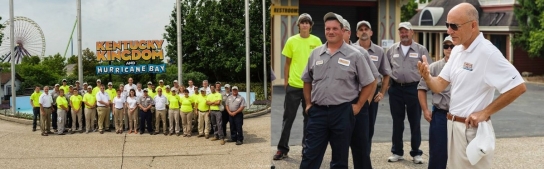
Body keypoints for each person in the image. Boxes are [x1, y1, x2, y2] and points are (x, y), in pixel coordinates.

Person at [418, 3, 526, 168]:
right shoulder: (456, 51)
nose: (449, 31)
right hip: (452, 127)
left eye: (454, 26)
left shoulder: (487, 53)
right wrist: (427, 76)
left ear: (473, 25)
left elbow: (518, 86)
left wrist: (485, 112)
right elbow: (439, 85)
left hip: (471, 131)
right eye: (448, 25)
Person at [300, 12, 375, 168]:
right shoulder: (315, 54)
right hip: (318, 112)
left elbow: (369, 82)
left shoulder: (355, 55)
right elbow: (307, 79)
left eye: (335, 28)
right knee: (309, 156)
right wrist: (308, 104)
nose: (330, 32)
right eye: (328, 29)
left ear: (343, 30)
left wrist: (359, 105)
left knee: (340, 159)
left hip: (342, 112)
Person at [273, 12, 323, 161]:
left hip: (311, 87)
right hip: (294, 85)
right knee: (288, 119)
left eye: (307, 22)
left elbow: (320, 63)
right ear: (298, 25)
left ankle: (306, 148)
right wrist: (286, 82)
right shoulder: (291, 41)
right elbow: (287, 63)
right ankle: (282, 149)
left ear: (311, 26)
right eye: (302, 22)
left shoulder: (317, 41)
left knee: (309, 119)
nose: (305, 25)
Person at [385, 21, 431, 164]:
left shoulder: (421, 50)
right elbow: (386, 69)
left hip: (414, 89)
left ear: (412, 32)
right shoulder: (392, 50)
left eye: (406, 31)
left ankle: (416, 153)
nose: (403, 34)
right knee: (397, 122)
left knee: (415, 121)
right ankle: (397, 152)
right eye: (401, 31)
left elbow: (428, 69)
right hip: (396, 89)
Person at [341, 18, 379, 169]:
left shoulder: (361, 53)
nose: (336, 33)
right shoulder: (325, 53)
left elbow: (373, 79)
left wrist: (365, 102)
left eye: (342, 30)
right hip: (337, 106)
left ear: (349, 33)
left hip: (357, 104)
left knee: (361, 149)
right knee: (339, 149)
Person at [355, 20, 392, 155]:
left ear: (371, 32)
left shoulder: (378, 51)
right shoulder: (351, 49)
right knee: (350, 128)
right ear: (357, 33)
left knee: (368, 128)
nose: (364, 31)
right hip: (354, 94)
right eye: (361, 29)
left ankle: (365, 156)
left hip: (371, 95)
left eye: (366, 29)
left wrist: (382, 92)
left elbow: (387, 73)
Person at [416, 36, 453, 168]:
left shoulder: (465, 67)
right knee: (438, 154)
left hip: (460, 116)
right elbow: (421, 88)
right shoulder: (434, 67)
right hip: (440, 115)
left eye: (452, 46)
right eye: (446, 46)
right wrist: (425, 110)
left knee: (462, 156)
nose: (449, 49)